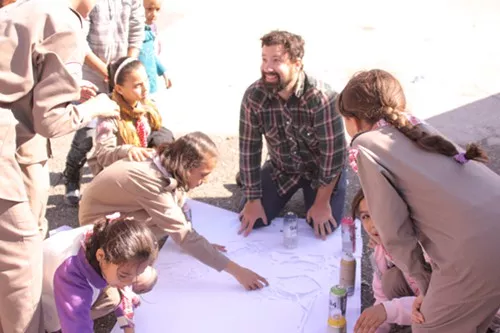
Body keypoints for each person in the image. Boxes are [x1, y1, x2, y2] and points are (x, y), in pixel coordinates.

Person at [337, 69, 500, 332]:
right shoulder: (417, 127)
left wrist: (426, 286)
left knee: (426, 326)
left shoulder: (366, 144)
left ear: (352, 120)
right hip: (487, 236)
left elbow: (393, 230)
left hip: (477, 253)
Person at [0, 0, 119, 331]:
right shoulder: (64, 20)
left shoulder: (22, 9)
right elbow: (51, 122)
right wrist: (94, 107)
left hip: (15, 145)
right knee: (20, 259)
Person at [80, 132, 269, 291]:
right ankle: (107, 275)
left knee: (174, 223)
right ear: (186, 167)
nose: (206, 180)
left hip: (115, 212)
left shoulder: (165, 163)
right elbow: (183, 233)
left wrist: (198, 244)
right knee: (145, 279)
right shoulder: (151, 182)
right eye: (203, 174)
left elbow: (178, 213)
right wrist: (238, 271)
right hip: (96, 225)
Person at [238, 30, 347, 239]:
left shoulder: (322, 98)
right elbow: (248, 150)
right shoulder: (254, 96)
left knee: (324, 226)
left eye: (276, 60)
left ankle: (322, 193)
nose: (267, 68)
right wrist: (253, 199)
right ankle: (254, 183)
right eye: (264, 59)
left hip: (320, 172)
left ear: (297, 64)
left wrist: (322, 203)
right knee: (252, 218)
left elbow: (333, 157)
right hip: (282, 168)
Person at [63, 0, 146, 205]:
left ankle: (115, 180)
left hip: (123, 78)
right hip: (93, 78)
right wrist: (108, 72)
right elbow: (79, 40)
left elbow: (136, 30)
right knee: (87, 133)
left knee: (122, 131)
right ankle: (72, 175)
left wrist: (127, 68)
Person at [42, 216, 158, 333]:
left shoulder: (109, 240)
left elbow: (125, 298)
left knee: (114, 297)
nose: (129, 283)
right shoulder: (72, 276)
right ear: (100, 256)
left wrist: (128, 328)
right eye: (123, 275)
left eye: (138, 273)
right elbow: (78, 327)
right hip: (39, 305)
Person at [352, 189, 430, 333]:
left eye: (378, 214)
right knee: (390, 280)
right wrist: (375, 327)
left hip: (448, 314)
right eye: (366, 216)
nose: (372, 225)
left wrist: (388, 311)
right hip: (418, 305)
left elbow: (440, 302)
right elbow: (381, 298)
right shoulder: (381, 253)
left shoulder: (426, 249)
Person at [87, 57, 174, 175]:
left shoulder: (146, 105)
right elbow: (103, 155)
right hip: (116, 174)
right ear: (119, 89)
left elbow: (156, 131)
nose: (145, 88)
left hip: (139, 166)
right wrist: (128, 150)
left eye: (146, 80)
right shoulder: (109, 114)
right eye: (137, 86)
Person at [139, 0, 172, 95]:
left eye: (157, 9)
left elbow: (151, 54)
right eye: (149, 9)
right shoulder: (134, 32)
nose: (154, 14)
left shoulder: (152, 28)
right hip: (136, 86)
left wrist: (164, 72)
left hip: (150, 83)